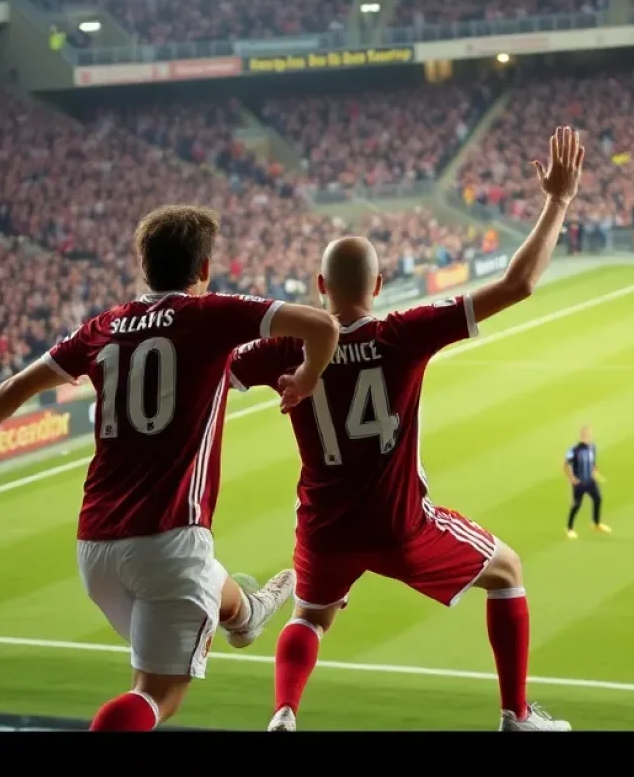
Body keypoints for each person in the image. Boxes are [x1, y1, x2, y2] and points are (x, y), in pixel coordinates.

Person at [0, 204, 340, 732]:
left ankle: (245, 613)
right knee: (156, 695)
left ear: (143, 264)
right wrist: (309, 377)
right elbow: (321, 325)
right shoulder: (211, 314)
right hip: (169, 538)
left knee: (199, 588)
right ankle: (243, 615)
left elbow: (18, 385)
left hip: (96, 548)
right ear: (203, 270)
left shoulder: (103, 326)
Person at [228, 126, 584, 733]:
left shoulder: (283, 347)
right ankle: (517, 715)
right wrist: (558, 201)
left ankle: (285, 714)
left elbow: (216, 371)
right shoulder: (401, 334)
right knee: (508, 571)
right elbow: (518, 284)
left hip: (325, 524)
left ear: (320, 288)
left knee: (310, 617)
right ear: (379, 285)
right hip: (399, 524)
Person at [563, 426, 611, 539]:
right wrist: (572, 478)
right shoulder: (574, 449)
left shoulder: (592, 447)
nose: (588, 437)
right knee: (576, 505)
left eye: (589, 435)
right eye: (586, 435)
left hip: (590, 481)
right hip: (579, 482)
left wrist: (595, 471)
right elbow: (565, 464)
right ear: (581, 436)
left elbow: (593, 462)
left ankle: (596, 523)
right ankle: (569, 529)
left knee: (598, 499)